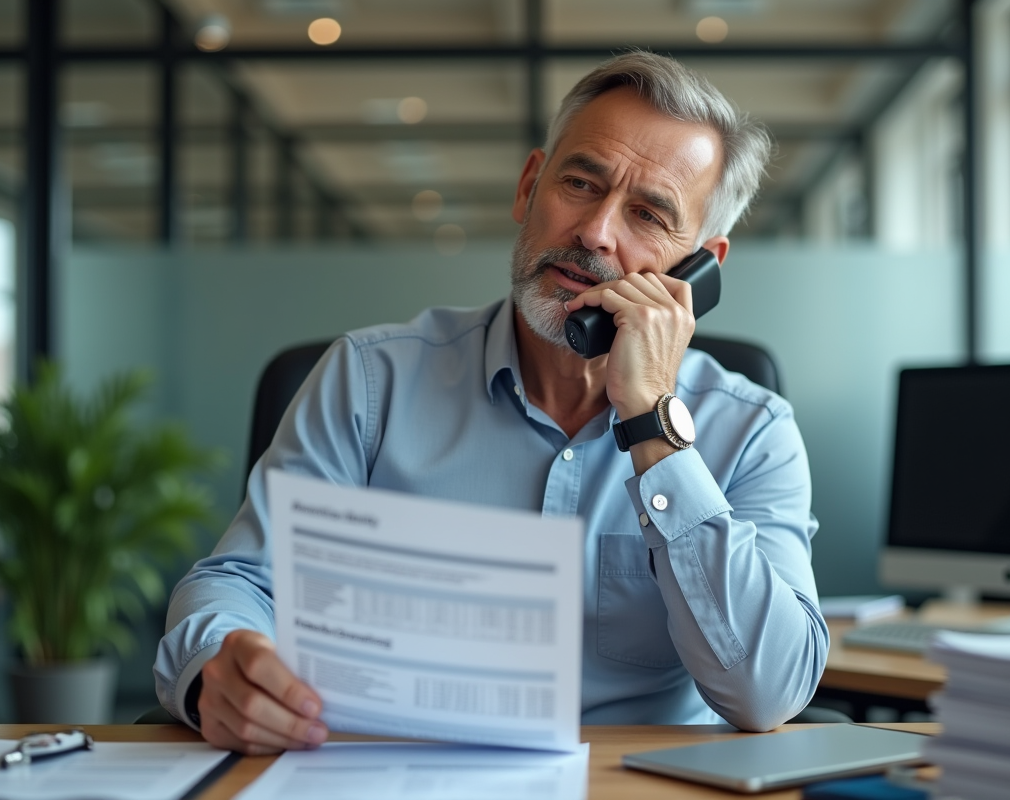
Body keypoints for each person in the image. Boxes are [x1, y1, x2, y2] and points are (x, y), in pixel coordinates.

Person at [154, 50, 827, 755]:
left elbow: (768, 692)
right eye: (580, 183)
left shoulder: (753, 431)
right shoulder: (368, 382)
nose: (596, 232)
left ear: (701, 266)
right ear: (530, 187)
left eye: (648, 214)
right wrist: (218, 669)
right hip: (396, 775)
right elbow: (240, 581)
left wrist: (653, 423)